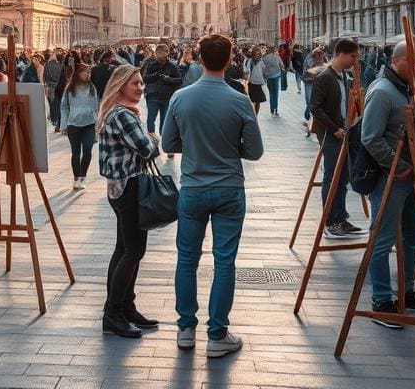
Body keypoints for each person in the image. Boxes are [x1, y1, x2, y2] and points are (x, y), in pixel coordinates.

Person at [162, 35, 263, 357]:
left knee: (187, 259)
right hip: (229, 188)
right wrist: (230, 147)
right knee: (224, 262)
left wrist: (193, 144)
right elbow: (255, 151)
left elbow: (168, 144)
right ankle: (217, 335)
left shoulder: (180, 97)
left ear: (199, 58)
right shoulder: (239, 99)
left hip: (192, 187)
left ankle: (185, 330)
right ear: (230, 58)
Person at [361, 41, 415, 327]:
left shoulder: (409, 89)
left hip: (413, 176)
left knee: (411, 235)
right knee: (382, 239)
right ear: (397, 60)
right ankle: (381, 300)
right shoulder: (382, 91)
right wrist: (398, 164)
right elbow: (370, 137)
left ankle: (406, 292)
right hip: (391, 177)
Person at [98, 64, 160, 339]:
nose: (141, 87)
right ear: (121, 85)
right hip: (130, 186)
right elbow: (147, 149)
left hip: (119, 187)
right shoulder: (122, 115)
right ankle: (113, 314)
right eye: (135, 83)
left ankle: (124, 307)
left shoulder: (117, 113)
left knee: (123, 249)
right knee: (132, 251)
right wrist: (152, 139)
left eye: (142, 83)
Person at [308, 38, 364, 240]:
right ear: (340, 54)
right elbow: (315, 107)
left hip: (345, 131)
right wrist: (334, 129)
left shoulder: (345, 77)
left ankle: (341, 217)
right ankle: (330, 222)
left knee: (343, 177)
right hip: (331, 134)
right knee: (332, 177)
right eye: (353, 56)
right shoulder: (325, 77)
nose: (355, 60)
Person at [60, 61, 99, 191]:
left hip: (89, 124)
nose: (87, 74)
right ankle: (76, 178)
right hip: (73, 125)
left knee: (87, 152)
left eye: (88, 72)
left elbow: (96, 106)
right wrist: (63, 124)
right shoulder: (70, 88)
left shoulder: (92, 87)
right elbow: (64, 107)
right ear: (78, 74)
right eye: (85, 72)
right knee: (76, 153)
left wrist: (97, 123)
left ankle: (83, 176)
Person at [140, 44, 181, 137]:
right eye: (160, 54)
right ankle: (152, 139)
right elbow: (144, 78)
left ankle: (163, 139)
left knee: (165, 120)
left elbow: (179, 80)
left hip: (166, 97)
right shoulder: (150, 64)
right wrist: (156, 75)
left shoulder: (172, 66)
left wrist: (168, 79)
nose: (162, 56)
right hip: (152, 96)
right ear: (157, 53)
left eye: (165, 53)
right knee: (151, 119)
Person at [302, 48, 326, 126]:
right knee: (309, 99)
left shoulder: (324, 60)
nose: (320, 58)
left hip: (318, 82)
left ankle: (309, 115)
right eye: (318, 57)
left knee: (315, 100)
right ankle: (308, 115)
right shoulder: (309, 59)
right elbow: (306, 71)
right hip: (309, 81)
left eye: (321, 57)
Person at [261, 46, 285, 116]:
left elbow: (262, 68)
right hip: (276, 76)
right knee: (276, 93)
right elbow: (282, 66)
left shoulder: (264, 58)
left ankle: (272, 109)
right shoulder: (277, 57)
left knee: (271, 93)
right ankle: (276, 109)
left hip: (268, 77)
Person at [244, 47, 266, 115]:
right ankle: (255, 115)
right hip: (258, 82)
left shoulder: (250, 60)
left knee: (251, 99)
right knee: (257, 100)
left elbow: (247, 71)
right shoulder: (261, 60)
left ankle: (252, 114)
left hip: (251, 82)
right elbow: (264, 69)